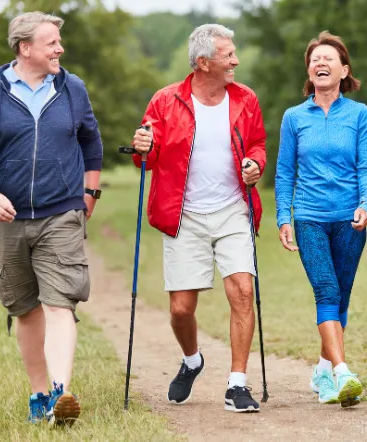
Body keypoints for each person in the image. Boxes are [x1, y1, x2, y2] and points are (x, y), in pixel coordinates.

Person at [0, 12, 103, 424]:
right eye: (52, 42)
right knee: (25, 309)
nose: (61, 49)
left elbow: (91, 143)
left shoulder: (72, 88)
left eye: (59, 42)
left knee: (61, 304)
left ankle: (61, 392)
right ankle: (39, 395)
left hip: (61, 212)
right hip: (9, 218)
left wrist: (89, 194)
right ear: (25, 48)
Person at [130, 24, 266, 413]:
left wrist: (255, 164)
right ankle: (192, 360)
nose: (236, 60)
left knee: (242, 289)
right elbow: (147, 158)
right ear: (203, 62)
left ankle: (237, 384)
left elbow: (257, 144)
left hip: (232, 209)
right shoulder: (165, 101)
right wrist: (144, 146)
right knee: (181, 309)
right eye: (228, 55)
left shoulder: (245, 99)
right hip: (183, 214)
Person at [274, 31, 367, 407]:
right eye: (315, 58)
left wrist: (366, 202)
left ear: (343, 70)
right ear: (309, 70)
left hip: (351, 220)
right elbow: (285, 172)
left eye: (328, 58)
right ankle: (343, 371)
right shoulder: (294, 117)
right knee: (326, 291)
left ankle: (323, 370)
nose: (320, 63)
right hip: (311, 218)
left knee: (341, 296)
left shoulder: (359, 114)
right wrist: (284, 217)